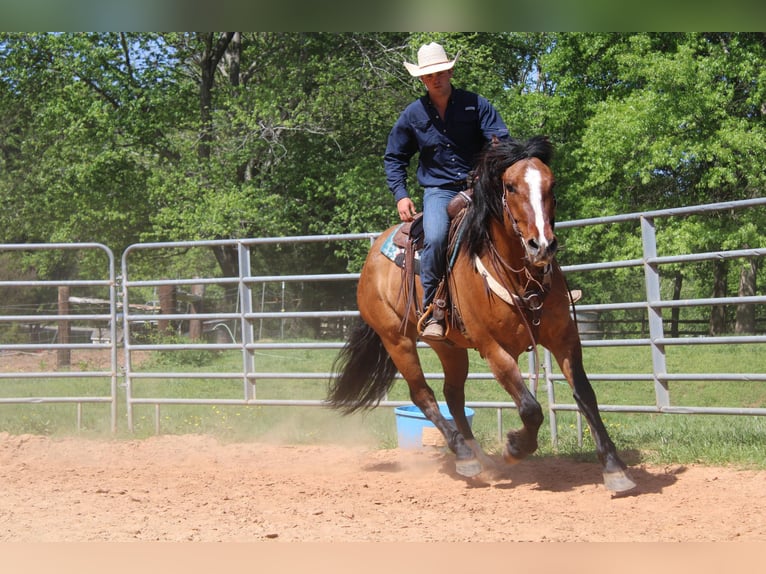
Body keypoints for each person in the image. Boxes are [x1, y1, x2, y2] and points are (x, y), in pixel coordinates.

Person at [384, 42, 510, 339]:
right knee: (437, 236)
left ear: (450, 71)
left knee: (523, 219)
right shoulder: (413, 115)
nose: (435, 79)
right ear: (421, 79)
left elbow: (501, 141)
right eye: (428, 76)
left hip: (479, 186)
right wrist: (401, 194)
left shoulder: (476, 104)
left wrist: (490, 167)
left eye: (440, 72)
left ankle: (541, 289)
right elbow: (394, 157)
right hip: (439, 190)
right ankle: (432, 310)